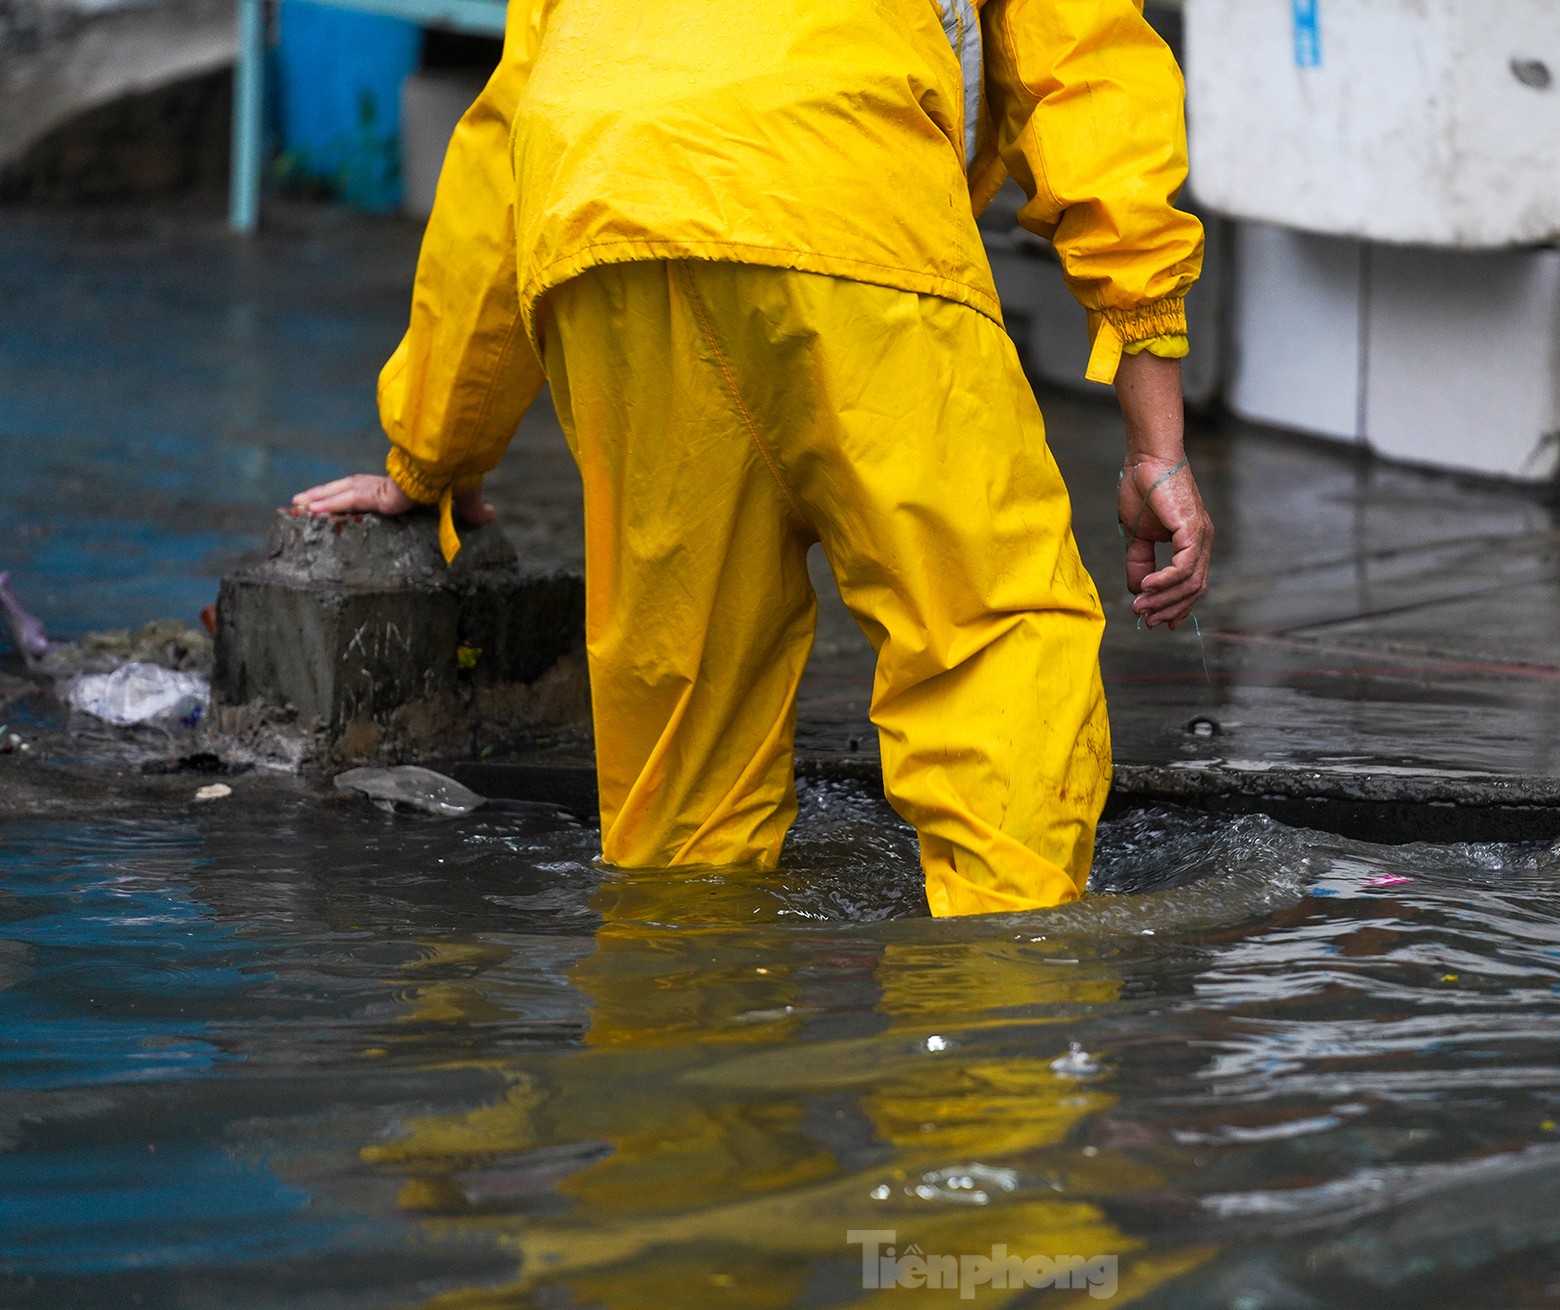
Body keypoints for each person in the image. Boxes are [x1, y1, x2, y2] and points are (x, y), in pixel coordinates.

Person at [293, 0, 1212, 916]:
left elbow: (504, 142)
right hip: (845, 181)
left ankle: (672, 1010)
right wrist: (1156, 443)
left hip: (600, 199)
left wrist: (431, 451)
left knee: (684, 725)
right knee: (991, 645)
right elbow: (1086, 71)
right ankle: (1000, 1027)